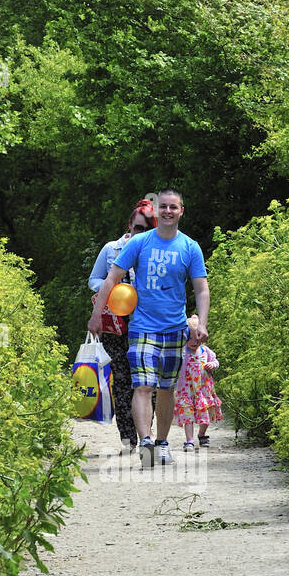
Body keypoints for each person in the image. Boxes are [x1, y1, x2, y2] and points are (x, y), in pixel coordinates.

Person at [88, 188, 210, 467]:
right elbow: (110, 280)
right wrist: (97, 316)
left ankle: (162, 443)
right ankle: (145, 442)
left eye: (173, 207)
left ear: (181, 212)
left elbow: (201, 289)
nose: (168, 211)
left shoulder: (190, 247)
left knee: (166, 389)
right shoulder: (139, 243)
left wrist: (201, 323)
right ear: (156, 212)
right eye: (163, 207)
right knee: (142, 385)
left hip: (175, 328)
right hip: (142, 327)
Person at [87, 200, 157, 453]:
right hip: (116, 325)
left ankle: (146, 434)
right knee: (122, 381)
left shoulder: (156, 252)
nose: (141, 233)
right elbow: (94, 279)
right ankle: (128, 439)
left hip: (147, 323)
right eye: (138, 228)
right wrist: (112, 289)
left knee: (148, 381)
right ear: (129, 225)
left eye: (147, 228)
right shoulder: (110, 249)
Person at [173, 314, 222, 451]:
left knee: (205, 413)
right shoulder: (182, 352)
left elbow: (215, 361)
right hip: (187, 390)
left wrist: (213, 364)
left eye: (197, 339)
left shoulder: (205, 351)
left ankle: (201, 434)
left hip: (203, 390)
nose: (194, 342)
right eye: (190, 339)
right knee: (187, 414)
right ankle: (189, 440)